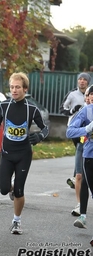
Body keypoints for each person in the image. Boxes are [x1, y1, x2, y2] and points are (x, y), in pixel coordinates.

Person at [0, 72, 49, 235]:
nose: (14, 90)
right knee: (3, 189)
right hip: (7, 154)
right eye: (12, 87)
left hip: (23, 154)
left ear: (25, 89)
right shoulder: (4, 106)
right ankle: (10, 188)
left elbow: (45, 128)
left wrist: (39, 136)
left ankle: (16, 221)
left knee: (19, 190)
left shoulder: (31, 109)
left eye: (17, 87)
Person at [60, 72, 91, 216]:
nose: (82, 81)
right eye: (80, 79)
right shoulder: (72, 95)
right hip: (79, 135)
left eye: (85, 79)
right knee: (80, 174)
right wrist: (73, 111)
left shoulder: (89, 104)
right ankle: (79, 205)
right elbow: (62, 109)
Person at [66, 84, 93, 247]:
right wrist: (87, 129)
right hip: (90, 156)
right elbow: (70, 131)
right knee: (82, 181)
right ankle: (82, 214)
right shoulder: (86, 111)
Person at [72, 86, 93, 230]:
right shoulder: (83, 111)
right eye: (87, 95)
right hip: (84, 149)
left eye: (90, 95)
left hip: (86, 147)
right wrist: (84, 137)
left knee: (83, 179)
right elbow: (73, 131)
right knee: (80, 177)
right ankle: (81, 209)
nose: (89, 97)